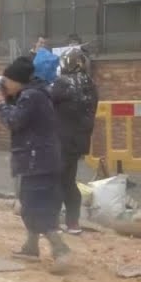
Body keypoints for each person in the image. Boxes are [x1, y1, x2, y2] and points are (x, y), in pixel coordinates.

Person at [0, 56, 71, 274]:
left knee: (37, 207)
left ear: (17, 80)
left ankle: (61, 249)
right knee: (33, 203)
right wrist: (8, 99)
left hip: (37, 161)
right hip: (42, 160)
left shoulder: (30, 96)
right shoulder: (35, 93)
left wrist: (1, 104)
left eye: (7, 79)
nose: (4, 84)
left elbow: (14, 122)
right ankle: (30, 247)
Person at [51, 47, 99, 235]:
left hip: (61, 139)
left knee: (55, 180)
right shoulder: (90, 84)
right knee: (69, 181)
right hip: (80, 141)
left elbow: (48, 100)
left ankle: (52, 223)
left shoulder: (63, 83)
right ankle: (73, 223)